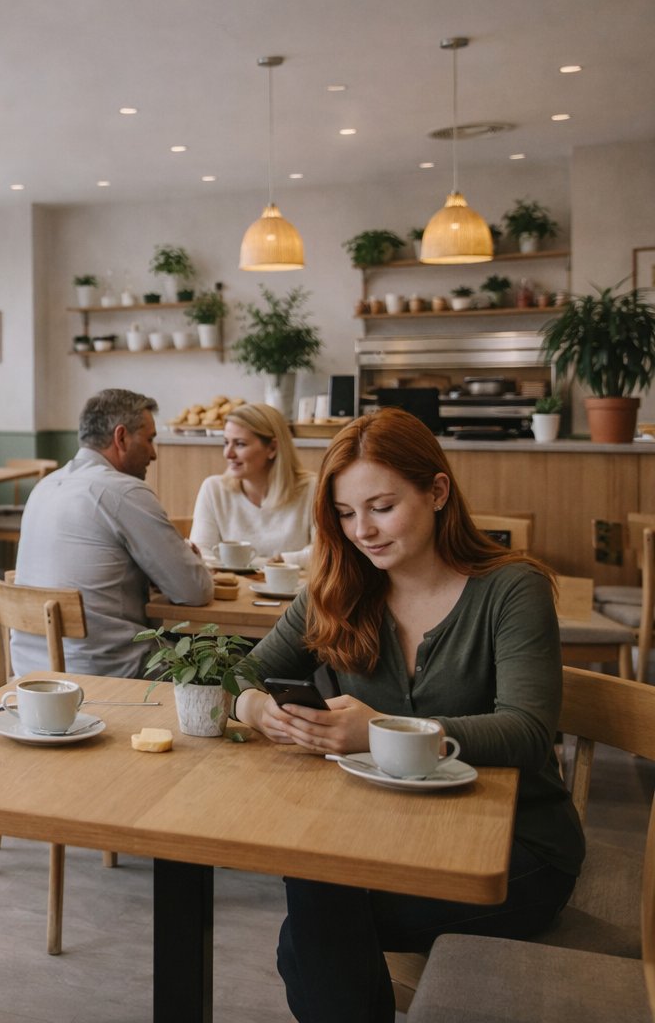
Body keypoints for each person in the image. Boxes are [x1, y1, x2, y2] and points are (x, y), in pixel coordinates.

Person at [232, 408, 583, 1023]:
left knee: (312, 927)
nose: (362, 531)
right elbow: (230, 671)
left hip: (515, 852)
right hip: (388, 836)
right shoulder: (337, 590)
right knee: (315, 892)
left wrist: (381, 732)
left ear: (437, 491)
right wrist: (256, 706)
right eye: (345, 513)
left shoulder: (512, 589)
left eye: (382, 507)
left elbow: (527, 733)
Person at [12, 388, 213, 677]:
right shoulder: (125, 491)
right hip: (107, 672)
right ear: (121, 437)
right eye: (149, 439)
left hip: (30, 673)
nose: (154, 453)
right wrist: (195, 563)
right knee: (222, 663)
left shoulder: (44, 486)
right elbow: (194, 591)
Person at [189, 402, 315, 561]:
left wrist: (281, 560)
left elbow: (325, 552)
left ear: (272, 448)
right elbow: (201, 554)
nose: (228, 454)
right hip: (230, 580)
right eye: (226, 442)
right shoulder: (213, 489)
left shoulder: (312, 489)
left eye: (240, 444)